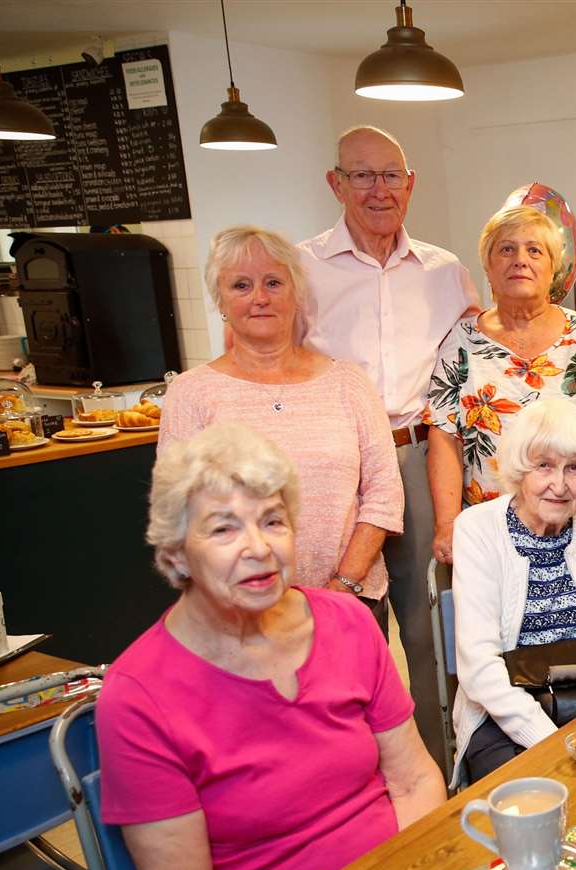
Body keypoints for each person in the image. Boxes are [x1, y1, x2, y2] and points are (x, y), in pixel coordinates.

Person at [96, 424, 445, 870]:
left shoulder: (348, 624)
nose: (257, 548)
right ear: (177, 554)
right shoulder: (138, 696)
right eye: (223, 529)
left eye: (273, 521)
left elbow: (416, 779)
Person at [297, 124, 480, 769]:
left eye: (391, 175)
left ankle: (443, 764)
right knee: (346, 620)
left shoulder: (446, 272)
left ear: (411, 183)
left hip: (420, 453)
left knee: (434, 616)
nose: (380, 190)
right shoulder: (299, 268)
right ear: (336, 184)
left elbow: (474, 369)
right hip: (335, 465)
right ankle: (355, 768)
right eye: (362, 175)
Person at [160, 225, 402, 627]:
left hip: (351, 603)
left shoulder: (349, 383)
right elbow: (180, 512)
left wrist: (341, 588)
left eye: (274, 282)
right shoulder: (191, 393)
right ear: (221, 300)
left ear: (296, 293)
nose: (260, 298)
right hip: (240, 612)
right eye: (241, 285)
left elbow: (384, 495)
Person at [451, 397, 576, 785]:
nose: (559, 485)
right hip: (504, 715)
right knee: (534, 799)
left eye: (574, 468)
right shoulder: (476, 528)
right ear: (521, 469)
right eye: (544, 466)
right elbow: (479, 666)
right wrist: (551, 743)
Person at [428, 205, 576, 540]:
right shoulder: (460, 341)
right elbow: (444, 437)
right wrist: (446, 525)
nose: (520, 259)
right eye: (506, 249)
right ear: (487, 266)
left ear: (553, 266)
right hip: (491, 528)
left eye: (534, 250)